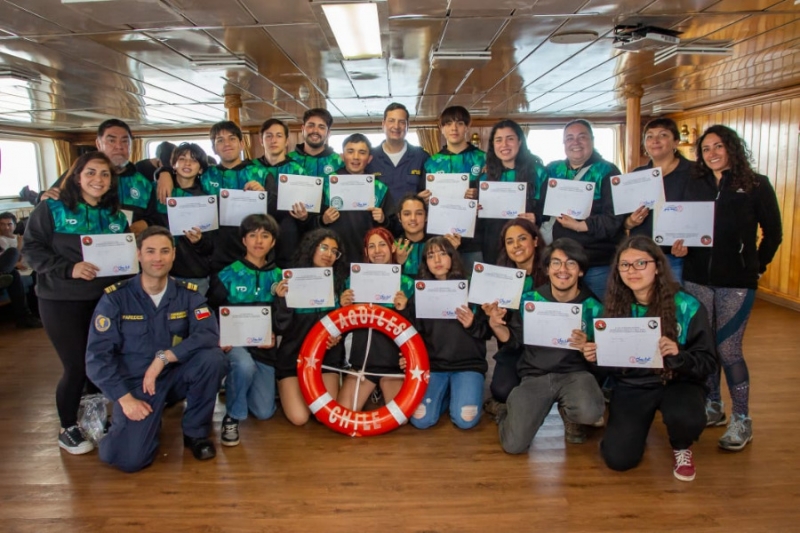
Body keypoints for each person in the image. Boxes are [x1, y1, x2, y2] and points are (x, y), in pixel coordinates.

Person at [85, 226, 225, 472]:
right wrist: (125, 399)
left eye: (164, 251)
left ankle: (196, 433)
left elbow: (208, 333)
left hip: (174, 374)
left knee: (213, 359)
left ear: (173, 255)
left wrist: (164, 357)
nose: (157, 258)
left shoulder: (188, 294)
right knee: (128, 460)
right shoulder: (116, 299)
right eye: (150, 251)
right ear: (138, 255)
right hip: (137, 385)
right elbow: (97, 358)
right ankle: (131, 425)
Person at [23, 152, 131, 454]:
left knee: (100, 363)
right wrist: (69, 268)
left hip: (103, 302)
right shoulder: (51, 208)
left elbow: (122, 261)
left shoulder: (115, 216)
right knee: (76, 366)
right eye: (91, 173)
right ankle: (67, 427)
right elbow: (31, 250)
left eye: (105, 174)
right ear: (77, 176)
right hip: (60, 299)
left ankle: (95, 420)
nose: (98, 179)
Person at [683, 125, 782, 451]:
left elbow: (774, 234)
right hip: (697, 278)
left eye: (718, 146)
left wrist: (754, 266)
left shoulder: (755, 185)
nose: (712, 153)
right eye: (706, 148)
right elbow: (681, 224)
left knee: (728, 350)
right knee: (706, 346)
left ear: (732, 149)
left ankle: (742, 419)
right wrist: (678, 245)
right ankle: (714, 405)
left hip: (736, 284)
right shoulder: (694, 184)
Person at [588, 235, 716, 481]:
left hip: (678, 382)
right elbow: (608, 369)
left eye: (640, 263)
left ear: (657, 266)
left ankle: (682, 445)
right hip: (634, 386)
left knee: (686, 417)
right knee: (618, 459)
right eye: (624, 265)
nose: (631, 271)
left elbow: (707, 362)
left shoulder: (688, 306)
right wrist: (595, 356)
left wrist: (679, 355)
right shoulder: (612, 308)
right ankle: (635, 431)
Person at [487, 238, 605, 452]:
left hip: (575, 375)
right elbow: (514, 341)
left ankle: (570, 413)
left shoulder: (594, 307)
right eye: (556, 263)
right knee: (513, 446)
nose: (563, 269)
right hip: (535, 376)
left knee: (590, 412)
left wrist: (588, 348)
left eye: (571, 263)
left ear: (580, 271)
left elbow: (604, 359)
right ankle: (507, 411)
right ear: (548, 269)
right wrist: (496, 326)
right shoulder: (530, 300)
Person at [207, 214, 282, 446]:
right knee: (244, 365)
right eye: (252, 235)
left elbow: (286, 316)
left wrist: (275, 334)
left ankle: (237, 385)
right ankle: (232, 417)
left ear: (273, 242)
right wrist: (219, 335)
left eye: (265, 235)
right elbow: (209, 308)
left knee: (264, 412)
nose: (258, 241)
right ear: (244, 240)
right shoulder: (228, 274)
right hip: (235, 343)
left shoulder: (280, 276)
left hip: (264, 347)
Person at [155, 121, 268, 272]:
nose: (226, 144)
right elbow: (185, 173)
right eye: (220, 140)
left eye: (232, 138)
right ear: (214, 148)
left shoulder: (261, 173)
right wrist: (164, 172)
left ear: (242, 144)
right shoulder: (206, 176)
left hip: (251, 252)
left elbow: (273, 215)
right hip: (214, 256)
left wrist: (263, 195)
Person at [536, 119, 625, 301]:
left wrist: (580, 225)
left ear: (592, 140)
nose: (575, 143)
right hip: (559, 264)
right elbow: (541, 208)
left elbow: (614, 219)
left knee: (599, 314)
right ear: (563, 143)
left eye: (581, 137)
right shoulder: (553, 169)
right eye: (569, 138)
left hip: (596, 263)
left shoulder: (607, 171)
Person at [410, 237, 489, 430]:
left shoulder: (471, 288)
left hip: (468, 365)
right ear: (425, 262)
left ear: (452, 257)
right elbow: (414, 333)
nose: (437, 260)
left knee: (466, 420)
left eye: (442, 253)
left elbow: (488, 332)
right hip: (434, 366)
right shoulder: (419, 293)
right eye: (431, 255)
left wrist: (472, 323)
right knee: (421, 420)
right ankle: (447, 394)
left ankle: (457, 393)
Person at [273, 229, 347, 425]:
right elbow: (281, 327)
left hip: (326, 360)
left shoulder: (340, 286)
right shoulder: (291, 280)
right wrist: (282, 301)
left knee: (323, 415)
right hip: (293, 359)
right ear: (311, 248)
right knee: (300, 417)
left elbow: (345, 325)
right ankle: (283, 387)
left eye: (334, 251)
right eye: (324, 247)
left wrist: (338, 334)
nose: (329, 254)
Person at [338, 227, 414, 411]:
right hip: (362, 363)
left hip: (392, 363)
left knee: (401, 418)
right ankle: (373, 389)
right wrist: (343, 306)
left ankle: (380, 389)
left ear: (392, 248)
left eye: (382, 245)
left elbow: (415, 327)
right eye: (371, 246)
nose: (377, 251)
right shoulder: (352, 282)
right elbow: (341, 324)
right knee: (345, 411)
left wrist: (405, 309)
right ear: (365, 252)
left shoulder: (407, 283)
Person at [44, 119, 154, 236]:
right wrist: (42, 196)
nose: (119, 146)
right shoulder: (78, 174)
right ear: (98, 144)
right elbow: (52, 200)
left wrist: (147, 223)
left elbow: (158, 217)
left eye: (125, 141)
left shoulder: (143, 182)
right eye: (111, 140)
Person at [483, 219, 546, 410]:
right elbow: (494, 331)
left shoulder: (553, 273)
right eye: (510, 241)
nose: (516, 245)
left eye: (522, 239)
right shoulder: (500, 277)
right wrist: (492, 317)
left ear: (535, 241)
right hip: (514, 347)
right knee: (502, 390)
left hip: (545, 349)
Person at [625, 118, 693, 282]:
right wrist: (630, 222)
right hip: (641, 256)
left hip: (676, 257)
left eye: (663, 135)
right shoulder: (637, 175)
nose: (655, 141)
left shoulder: (694, 172)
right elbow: (623, 220)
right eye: (649, 136)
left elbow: (701, 215)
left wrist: (690, 244)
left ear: (676, 141)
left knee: (674, 305)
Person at [319, 134, 395, 267]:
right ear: (342, 156)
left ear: (369, 158)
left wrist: (383, 219)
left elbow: (394, 226)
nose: (355, 157)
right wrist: (323, 220)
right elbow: (310, 224)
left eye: (362, 152)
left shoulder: (379, 188)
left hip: (368, 260)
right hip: (333, 259)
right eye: (350, 151)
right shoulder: (327, 184)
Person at [424, 106, 485, 269]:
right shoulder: (432, 163)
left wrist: (479, 195)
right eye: (448, 123)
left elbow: (492, 198)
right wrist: (424, 199)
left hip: (474, 240)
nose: (454, 128)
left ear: (467, 126)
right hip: (441, 240)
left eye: (459, 123)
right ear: (441, 128)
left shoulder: (482, 159)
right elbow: (425, 203)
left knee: (474, 287)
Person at [149, 143, 214, 295]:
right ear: (173, 164)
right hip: (161, 271)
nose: (187, 163)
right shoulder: (157, 189)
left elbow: (210, 246)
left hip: (194, 273)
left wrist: (198, 241)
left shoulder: (206, 199)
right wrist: (162, 172)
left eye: (194, 160)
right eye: (182, 158)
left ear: (201, 169)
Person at [480, 119, 545, 265]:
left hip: (527, 245)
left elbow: (548, 208)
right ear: (493, 145)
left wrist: (536, 217)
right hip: (493, 246)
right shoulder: (485, 176)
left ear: (520, 142)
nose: (504, 145)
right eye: (498, 140)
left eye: (510, 139)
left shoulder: (538, 173)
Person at [252, 118, 312, 267]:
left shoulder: (298, 171)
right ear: (261, 140)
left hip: (289, 240)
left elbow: (309, 212)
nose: (273, 140)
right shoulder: (249, 169)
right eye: (269, 136)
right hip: (256, 237)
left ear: (286, 141)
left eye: (279, 136)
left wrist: (304, 216)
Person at [367, 102, 430, 202]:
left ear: (407, 126)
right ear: (383, 124)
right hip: (380, 217)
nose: (396, 126)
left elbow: (431, 190)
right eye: (391, 121)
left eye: (401, 122)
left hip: (412, 217)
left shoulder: (421, 156)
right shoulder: (369, 157)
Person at [0, 212, 41, 327]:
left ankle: (31, 315)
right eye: (2, 224)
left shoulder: (21, 238)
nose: (6, 227)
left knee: (16, 275)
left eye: (9, 224)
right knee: (12, 253)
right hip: (8, 266)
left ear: (14, 225)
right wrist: (19, 246)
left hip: (12, 269)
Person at [288, 108, 344, 179]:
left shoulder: (338, 162)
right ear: (303, 129)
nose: (315, 131)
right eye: (311, 125)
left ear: (328, 133)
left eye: (321, 127)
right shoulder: (288, 160)